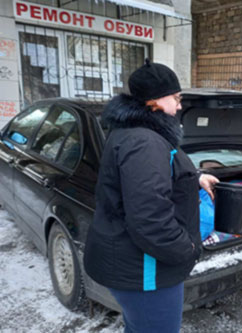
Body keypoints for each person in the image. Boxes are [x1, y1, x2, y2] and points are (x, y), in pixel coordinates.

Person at [84, 59, 219, 333]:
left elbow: (150, 180)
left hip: (133, 264)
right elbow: (150, 219)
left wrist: (193, 178)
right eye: (176, 98)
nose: (180, 106)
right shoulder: (144, 142)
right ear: (155, 101)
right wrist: (187, 249)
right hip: (145, 271)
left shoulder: (136, 133)